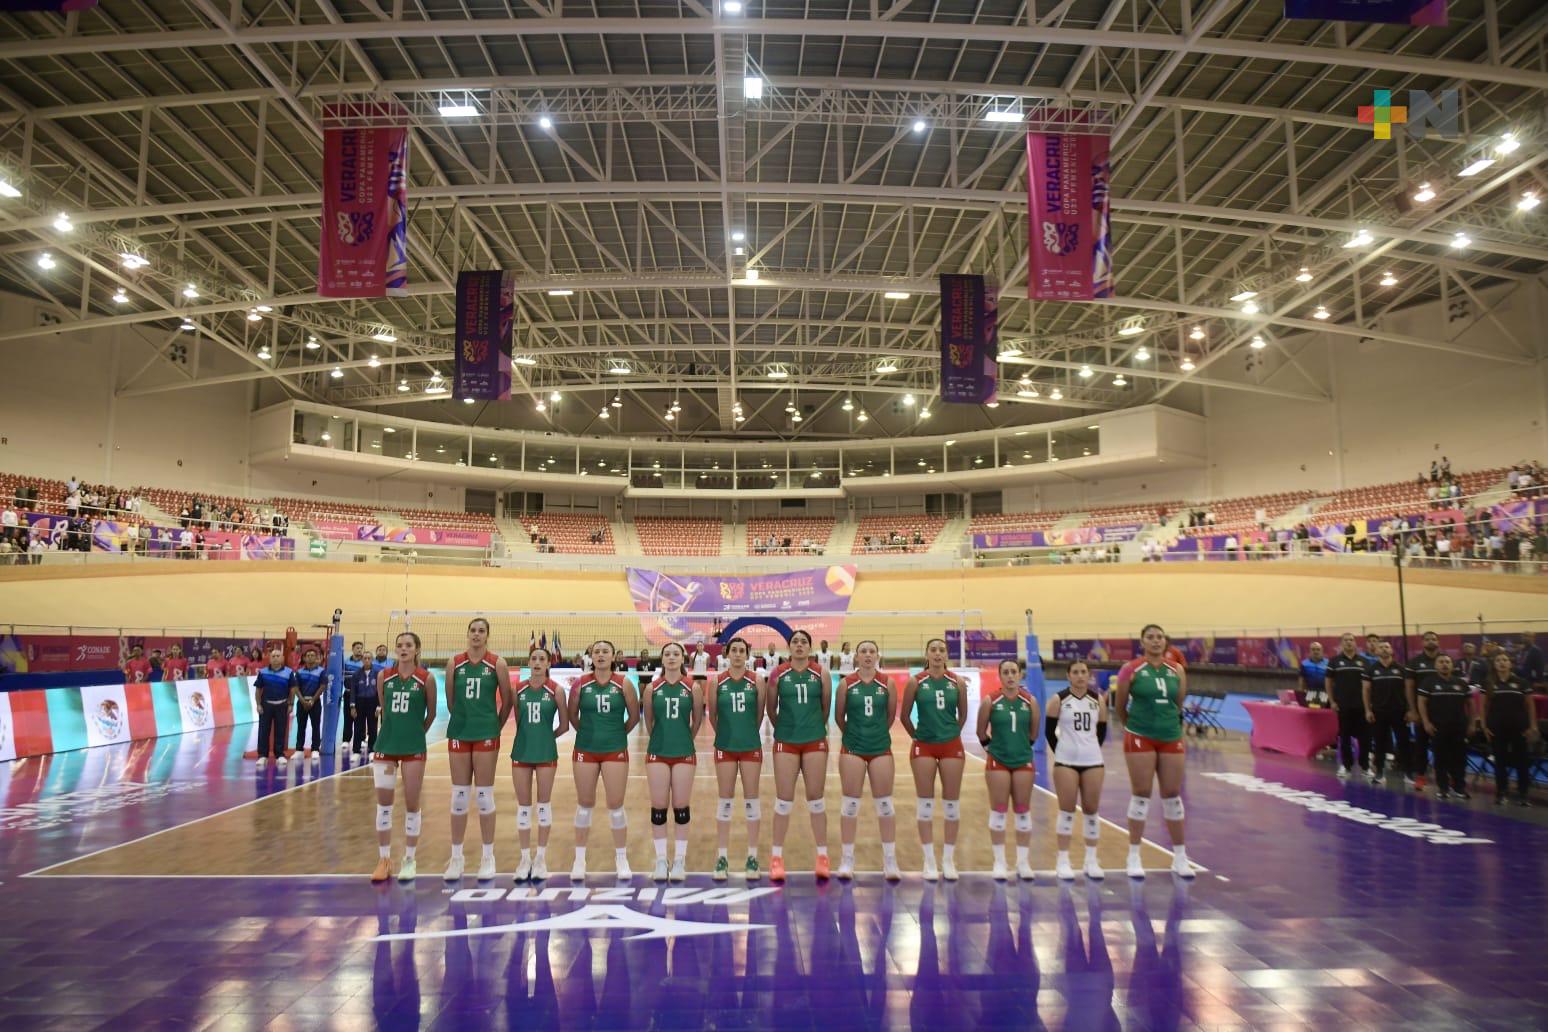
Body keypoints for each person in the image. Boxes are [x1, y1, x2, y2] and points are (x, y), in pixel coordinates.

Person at [1113, 624, 1192, 880]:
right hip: (1140, 736)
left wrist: (1166, 723)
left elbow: (1178, 704)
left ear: (1165, 642)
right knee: (1142, 794)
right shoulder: (1131, 669)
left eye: (1160, 637)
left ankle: (1180, 857)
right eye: (1150, 637)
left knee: (1172, 794)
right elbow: (1120, 705)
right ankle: (1133, 855)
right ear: (1142, 642)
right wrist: (1134, 727)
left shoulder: (1177, 670)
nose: (1156, 641)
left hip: (1170, 735)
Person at [443, 617, 513, 882]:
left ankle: (488, 856)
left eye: (481, 631)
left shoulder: (497, 663)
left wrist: (494, 725)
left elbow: (507, 700)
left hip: (486, 733)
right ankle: (457, 857)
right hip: (460, 732)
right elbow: (451, 701)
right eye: (472, 630)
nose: (476, 634)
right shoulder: (455, 663)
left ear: (487, 636)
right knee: (459, 796)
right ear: (467, 634)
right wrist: (463, 719)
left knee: (484, 796)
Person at [568, 639, 640, 880]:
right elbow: (572, 716)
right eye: (596, 651)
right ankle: (579, 860)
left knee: (616, 805)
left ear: (613, 657)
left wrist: (617, 734)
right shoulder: (580, 684)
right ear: (591, 656)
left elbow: (633, 716)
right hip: (585, 749)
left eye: (605, 652)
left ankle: (621, 858)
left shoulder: (624, 684)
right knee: (584, 804)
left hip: (614, 749)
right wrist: (589, 733)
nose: (600, 655)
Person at [767, 629, 832, 882]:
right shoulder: (778, 673)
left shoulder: (821, 673)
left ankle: (823, 856)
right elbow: (771, 709)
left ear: (810, 647)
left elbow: (825, 708)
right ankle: (776, 857)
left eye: (804, 642)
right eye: (795, 642)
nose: (799, 645)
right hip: (786, 741)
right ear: (789, 647)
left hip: (814, 740)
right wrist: (784, 729)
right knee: (783, 800)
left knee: (816, 799)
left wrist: (813, 727)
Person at [371, 632, 436, 883]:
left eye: (408, 645)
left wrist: (417, 734)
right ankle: (384, 860)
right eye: (399, 645)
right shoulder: (383, 676)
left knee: (411, 803)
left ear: (417, 649)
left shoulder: (426, 679)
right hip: (386, 746)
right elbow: (384, 708)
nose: (403, 649)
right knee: (384, 805)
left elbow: (430, 714)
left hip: (413, 748)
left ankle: (409, 859)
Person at [900, 637, 967, 882]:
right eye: (933, 650)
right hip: (924, 747)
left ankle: (948, 860)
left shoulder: (957, 682)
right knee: (925, 804)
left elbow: (963, 716)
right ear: (926, 654)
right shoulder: (915, 682)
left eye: (942, 650)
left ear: (946, 655)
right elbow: (904, 716)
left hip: (951, 746)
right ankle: (929, 860)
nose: (938, 654)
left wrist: (949, 734)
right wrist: (918, 737)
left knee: (951, 805)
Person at [834, 641, 900, 881]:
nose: (868, 655)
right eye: (863, 651)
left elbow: (891, 716)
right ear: (856, 657)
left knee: (885, 805)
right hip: (852, 748)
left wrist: (875, 734)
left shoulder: (887, 683)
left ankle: (890, 860)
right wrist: (855, 736)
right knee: (850, 805)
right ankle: (847, 859)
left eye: (872, 651)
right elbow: (839, 717)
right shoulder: (845, 684)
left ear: (877, 656)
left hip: (880, 747)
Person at [508, 646, 568, 881]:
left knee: (543, 805)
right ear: (528, 662)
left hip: (545, 753)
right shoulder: (519, 689)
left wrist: (545, 737)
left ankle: (541, 858)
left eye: (542, 659)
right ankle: (524, 859)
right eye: (533, 658)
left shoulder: (556, 690)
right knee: (523, 807)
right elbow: (519, 720)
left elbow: (564, 725)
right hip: (521, 752)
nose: (537, 662)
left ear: (548, 664)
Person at [643, 642, 702, 882]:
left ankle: (679, 860)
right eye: (666, 654)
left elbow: (697, 721)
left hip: (684, 752)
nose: (671, 658)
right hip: (657, 751)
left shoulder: (693, 687)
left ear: (683, 659)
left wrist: (684, 739)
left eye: (675, 654)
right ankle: (660, 860)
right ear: (662, 659)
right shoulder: (651, 689)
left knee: (681, 808)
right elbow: (649, 722)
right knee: (658, 809)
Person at [708, 637, 765, 881]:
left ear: (748, 654)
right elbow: (713, 716)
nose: (739, 654)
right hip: (725, 746)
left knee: (752, 800)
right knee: (725, 800)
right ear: (727, 654)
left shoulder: (757, 680)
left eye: (743, 650)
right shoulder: (717, 681)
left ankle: (753, 856)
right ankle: (722, 857)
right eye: (735, 650)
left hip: (750, 745)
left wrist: (746, 733)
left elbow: (760, 714)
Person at [1046, 660, 1108, 881]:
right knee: (1067, 809)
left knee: (1091, 809)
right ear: (1068, 675)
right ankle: (1063, 859)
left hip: (1093, 760)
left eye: (1083, 672)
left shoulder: (1097, 699)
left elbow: (1101, 731)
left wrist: (1089, 748)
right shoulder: (1059, 700)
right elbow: (1049, 732)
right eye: (1076, 672)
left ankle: (1091, 860)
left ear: (1088, 675)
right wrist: (1063, 751)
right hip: (1066, 762)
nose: (1080, 676)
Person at [976, 657, 1038, 881]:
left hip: (1022, 760)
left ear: (1020, 674)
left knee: (1022, 809)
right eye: (1006, 672)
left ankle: (1023, 862)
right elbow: (981, 731)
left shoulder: (1030, 701)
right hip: (998, 761)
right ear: (1000, 676)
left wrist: (1019, 749)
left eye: (1014, 672)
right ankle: (999, 862)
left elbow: (1033, 733)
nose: (1011, 676)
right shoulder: (990, 701)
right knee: (999, 809)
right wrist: (993, 750)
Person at [1482, 650, 1538, 806]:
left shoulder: (1522, 682)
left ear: (1510, 663)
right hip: (1497, 729)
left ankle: (1523, 794)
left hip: (1520, 729)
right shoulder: (1489, 684)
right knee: (1500, 762)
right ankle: (1501, 793)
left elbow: (1530, 706)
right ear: (1494, 664)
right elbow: (1484, 706)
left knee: (1522, 762)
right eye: (1498, 660)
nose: (1502, 662)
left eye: (1505, 660)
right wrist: (1485, 726)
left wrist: (1532, 726)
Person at [1417, 653, 1473, 801]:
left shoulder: (1461, 683)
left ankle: (1460, 788)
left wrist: (1472, 722)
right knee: (1440, 759)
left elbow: (1471, 704)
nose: (1444, 664)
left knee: (1459, 759)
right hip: (1438, 727)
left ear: (1452, 665)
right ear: (1436, 666)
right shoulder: (1428, 682)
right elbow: (1421, 702)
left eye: (1447, 662)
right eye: (1441, 662)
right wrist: (1426, 722)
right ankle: (1443, 788)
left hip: (1459, 727)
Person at [1363, 639, 1409, 784]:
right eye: (1381, 647)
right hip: (1378, 712)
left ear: (1391, 651)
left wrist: (1410, 710)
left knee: (1403, 743)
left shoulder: (1402, 669)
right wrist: (1367, 710)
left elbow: (1408, 690)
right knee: (1379, 744)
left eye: (1387, 647)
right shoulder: (1371, 670)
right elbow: (1366, 690)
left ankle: (1408, 773)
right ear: (1376, 651)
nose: (1384, 649)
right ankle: (1380, 772)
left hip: (1399, 712)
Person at [1327, 633, 1370, 779]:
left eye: (1351, 640)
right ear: (1341, 644)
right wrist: (1332, 701)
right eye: (1346, 640)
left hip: (1362, 706)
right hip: (1343, 705)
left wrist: (1369, 704)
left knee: (1365, 737)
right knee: (1344, 737)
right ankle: (1346, 766)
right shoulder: (1334, 661)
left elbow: (1369, 684)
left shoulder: (1364, 661)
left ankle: (1365, 766)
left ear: (1356, 643)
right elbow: (1328, 682)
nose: (1349, 643)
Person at [1404, 631, 1443, 790]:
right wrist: (1412, 710)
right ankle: (1420, 776)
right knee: (1421, 745)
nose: (1431, 641)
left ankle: (1445, 777)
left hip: (1442, 712)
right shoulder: (1414, 663)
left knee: (1443, 746)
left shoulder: (1444, 661)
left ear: (1438, 642)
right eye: (1427, 639)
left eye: (1434, 638)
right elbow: (1409, 687)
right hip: (1421, 712)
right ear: (1422, 643)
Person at [252, 647, 298, 771]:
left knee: (280, 730)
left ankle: (279, 755)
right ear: (270, 659)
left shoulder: (289, 672)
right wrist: (258, 704)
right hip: (266, 705)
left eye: (278, 656)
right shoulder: (263, 672)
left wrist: (291, 704)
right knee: (263, 731)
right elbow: (258, 689)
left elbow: (292, 689)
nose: (276, 658)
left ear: (282, 658)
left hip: (282, 705)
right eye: (273, 656)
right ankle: (262, 755)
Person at [293, 647, 328, 767]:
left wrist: (313, 700)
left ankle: (315, 749)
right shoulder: (299, 672)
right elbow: (296, 688)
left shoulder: (321, 671)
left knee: (315, 726)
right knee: (301, 726)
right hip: (302, 702)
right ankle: (299, 750)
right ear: (304, 658)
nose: (310, 657)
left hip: (315, 702)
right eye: (308, 655)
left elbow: (323, 686)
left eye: (313, 655)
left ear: (316, 657)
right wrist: (302, 700)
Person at [351, 642, 381, 757]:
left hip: (372, 702)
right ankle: (356, 751)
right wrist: (352, 706)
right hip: (360, 702)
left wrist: (379, 706)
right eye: (365, 658)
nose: (367, 660)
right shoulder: (356, 674)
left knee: (373, 726)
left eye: (369, 658)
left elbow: (380, 690)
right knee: (358, 726)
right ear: (362, 660)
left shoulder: (377, 674)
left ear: (372, 660)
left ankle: (372, 750)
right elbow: (353, 690)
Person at [342, 641, 366, 746]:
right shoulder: (345, 662)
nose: (359, 650)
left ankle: (361, 739)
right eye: (357, 648)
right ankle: (346, 740)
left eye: (361, 648)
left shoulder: (365, 663)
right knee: (347, 717)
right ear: (353, 649)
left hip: (361, 695)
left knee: (361, 717)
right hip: (348, 693)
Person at [1298, 642, 1328, 707]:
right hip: (1310, 693)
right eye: (1313, 649)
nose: (1316, 651)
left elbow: (1332, 680)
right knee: (1310, 711)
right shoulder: (1304, 664)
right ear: (1310, 651)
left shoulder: (1328, 663)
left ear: (1322, 651)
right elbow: (1301, 681)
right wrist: (1301, 694)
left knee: (1323, 710)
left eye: (1318, 649)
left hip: (1325, 693)